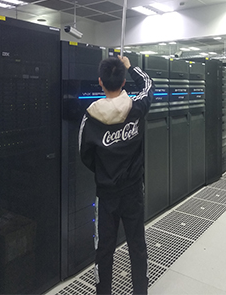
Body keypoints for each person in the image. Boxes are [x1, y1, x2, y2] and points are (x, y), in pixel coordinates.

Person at [79, 56, 154, 295]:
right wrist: (131, 67)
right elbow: (148, 85)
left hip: (106, 194)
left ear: (100, 81)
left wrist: (104, 170)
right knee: (137, 245)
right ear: (122, 82)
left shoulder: (90, 116)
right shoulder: (136, 107)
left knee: (104, 249)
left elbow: (84, 154)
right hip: (133, 191)